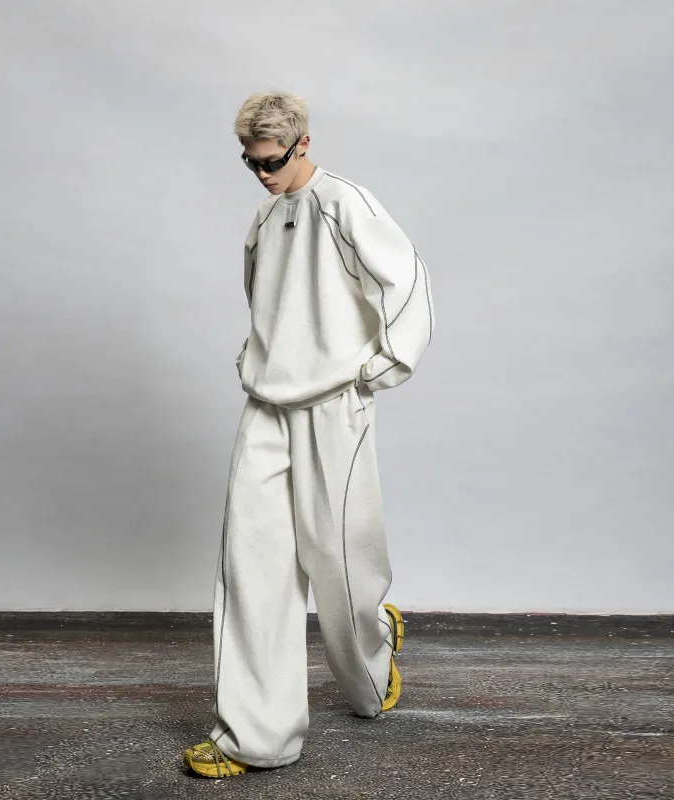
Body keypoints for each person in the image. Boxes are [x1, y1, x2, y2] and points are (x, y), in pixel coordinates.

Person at [183, 91, 435, 778]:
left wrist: (379, 366)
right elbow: (262, 299)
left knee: (339, 561)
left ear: (302, 144)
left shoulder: (345, 203)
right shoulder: (265, 219)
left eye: (272, 161)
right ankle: (255, 737)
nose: (262, 175)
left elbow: (407, 280)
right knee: (252, 566)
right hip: (266, 404)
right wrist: (256, 357)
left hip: (332, 404)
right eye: (251, 163)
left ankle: (374, 643)